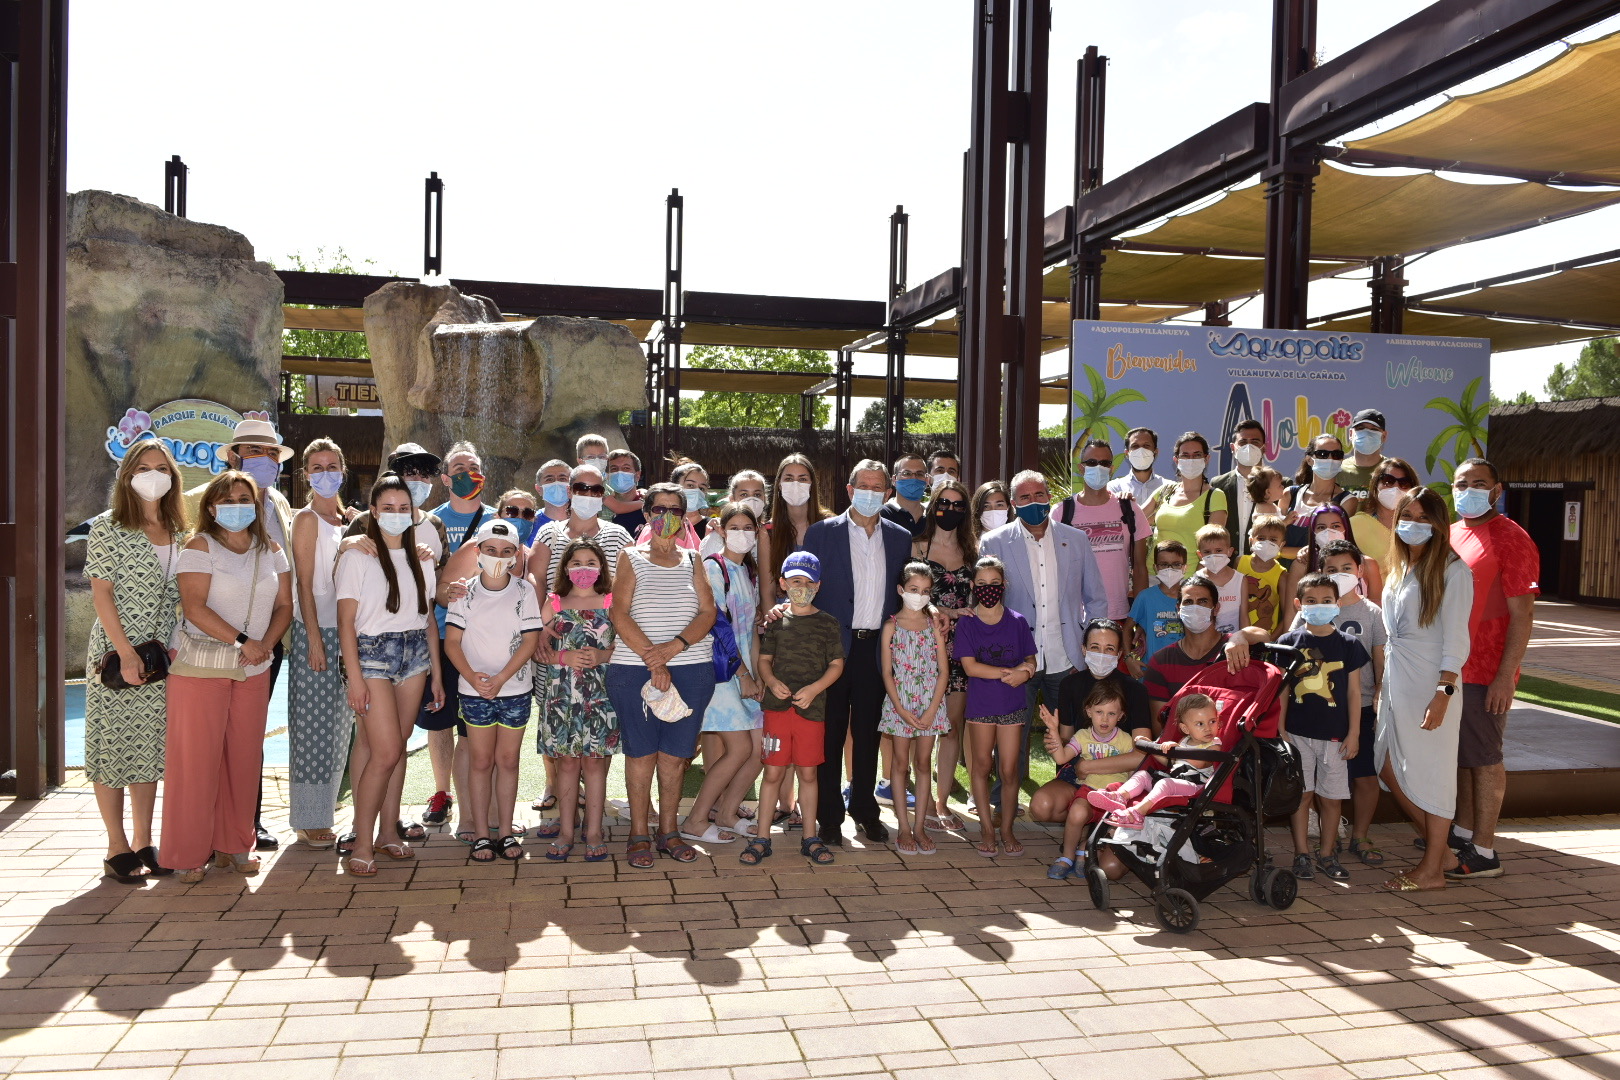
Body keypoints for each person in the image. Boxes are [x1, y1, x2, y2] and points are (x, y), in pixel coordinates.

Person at [163, 471, 293, 882]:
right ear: (211, 506)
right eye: (227, 498)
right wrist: (243, 641)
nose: (236, 505)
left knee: (243, 759)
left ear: (256, 505)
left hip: (254, 668)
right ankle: (187, 852)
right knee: (196, 762)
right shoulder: (198, 546)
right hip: (202, 670)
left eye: (244, 497)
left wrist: (264, 645)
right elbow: (194, 607)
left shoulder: (271, 549)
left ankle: (236, 844)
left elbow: (285, 606)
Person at [183, 418, 296, 853]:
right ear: (233, 455)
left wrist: (266, 642)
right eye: (253, 450)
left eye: (270, 453)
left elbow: (285, 586)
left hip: (266, 646)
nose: (263, 460)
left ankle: (246, 825)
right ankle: (205, 833)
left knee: (248, 739)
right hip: (209, 647)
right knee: (207, 744)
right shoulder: (200, 501)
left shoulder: (282, 506)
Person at [84, 438, 187, 883]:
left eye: (161, 467)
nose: (153, 474)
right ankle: (116, 846)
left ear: (172, 476)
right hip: (116, 655)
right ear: (127, 475)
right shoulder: (109, 527)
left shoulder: (181, 529)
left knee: (148, 750)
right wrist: (126, 652)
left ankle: (145, 841)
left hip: (161, 657)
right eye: (143, 466)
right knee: (112, 749)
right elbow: (101, 592)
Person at [979, 469, 1108, 817]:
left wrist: (1091, 639)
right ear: (1013, 503)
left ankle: (1066, 799)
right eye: (1023, 497)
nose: (1033, 503)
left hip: (1066, 654)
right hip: (1016, 658)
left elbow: (1096, 597)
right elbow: (988, 602)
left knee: (1068, 732)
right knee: (1012, 732)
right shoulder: (994, 542)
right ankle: (1002, 800)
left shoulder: (1075, 539)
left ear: (1049, 497)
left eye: (1039, 495)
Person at [335, 475, 444, 876]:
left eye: (404, 509)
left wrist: (433, 671)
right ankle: (361, 843)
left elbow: (428, 618)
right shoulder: (357, 556)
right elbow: (346, 623)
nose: (397, 515)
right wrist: (356, 677)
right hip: (372, 655)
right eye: (388, 509)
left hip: (414, 654)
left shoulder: (423, 556)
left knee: (396, 746)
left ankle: (388, 833)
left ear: (413, 513)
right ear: (373, 512)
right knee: (383, 752)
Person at [800, 459, 913, 847]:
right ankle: (829, 817)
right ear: (849, 491)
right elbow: (804, 586)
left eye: (877, 487)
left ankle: (865, 808)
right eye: (862, 486)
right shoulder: (820, 533)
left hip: (875, 650)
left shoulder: (900, 537)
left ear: (887, 493)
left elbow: (904, 592)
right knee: (829, 736)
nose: (870, 493)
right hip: (831, 651)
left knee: (867, 734)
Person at [608, 482, 718, 867]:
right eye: (659, 509)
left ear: (684, 516)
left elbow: (708, 612)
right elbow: (618, 612)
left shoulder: (694, 560)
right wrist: (655, 661)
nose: (666, 517)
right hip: (633, 669)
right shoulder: (629, 557)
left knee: (674, 757)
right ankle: (639, 832)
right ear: (647, 514)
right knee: (641, 754)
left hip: (691, 670)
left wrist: (674, 648)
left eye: (675, 510)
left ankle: (668, 831)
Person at [1376, 486, 1472, 891]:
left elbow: (1457, 640)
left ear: (1438, 523)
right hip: (1398, 681)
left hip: (1434, 685)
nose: (1413, 525)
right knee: (1384, 763)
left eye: (1422, 518)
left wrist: (1443, 693)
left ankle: (1433, 869)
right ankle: (1443, 852)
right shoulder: (1400, 567)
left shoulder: (1453, 570)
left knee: (1433, 775)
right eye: (1406, 517)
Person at [1447, 457, 1538, 879]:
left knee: (1485, 758)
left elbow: (1523, 614)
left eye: (1479, 483)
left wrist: (1506, 674)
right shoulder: (1451, 534)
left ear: (1497, 490)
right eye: (1462, 483)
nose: (1469, 490)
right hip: (1453, 668)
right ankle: (1463, 834)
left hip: (1487, 672)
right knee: (1464, 757)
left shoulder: (1512, 538)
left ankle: (1484, 851)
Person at [445, 519, 542, 864]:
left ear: (516, 556)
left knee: (508, 761)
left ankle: (505, 831)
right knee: (481, 761)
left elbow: (530, 640)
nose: (498, 557)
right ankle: (482, 833)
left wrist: (501, 678)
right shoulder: (464, 591)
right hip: (474, 694)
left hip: (514, 690)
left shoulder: (524, 591)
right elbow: (453, 642)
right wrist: (473, 677)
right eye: (490, 551)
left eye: (505, 552)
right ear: (478, 552)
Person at [742, 551, 845, 866]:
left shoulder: (827, 623)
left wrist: (814, 689)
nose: (802, 586)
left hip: (811, 713)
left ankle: (809, 837)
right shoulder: (776, 620)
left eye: (808, 582)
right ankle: (762, 837)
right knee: (772, 772)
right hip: (777, 710)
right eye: (795, 581)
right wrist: (771, 682)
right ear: (783, 583)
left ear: (818, 585)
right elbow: (764, 660)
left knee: (808, 774)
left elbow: (837, 664)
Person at [415, 441, 498, 831]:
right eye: (460, 466)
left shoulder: (501, 520)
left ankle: (478, 804)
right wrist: (442, 593)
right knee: (440, 719)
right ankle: (441, 792)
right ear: (446, 477)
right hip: (442, 635)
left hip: (486, 640)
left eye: (475, 465)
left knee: (478, 725)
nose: (468, 472)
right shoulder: (428, 521)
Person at [1293, 539, 1387, 868]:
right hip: (1314, 712)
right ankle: (1319, 844)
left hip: (1358, 708)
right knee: (1312, 782)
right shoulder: (1312, 607)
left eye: (1347, 568)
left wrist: (1378, 692)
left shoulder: (1372, 612)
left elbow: (1379, 657)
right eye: (1332, 569)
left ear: (1360, 571)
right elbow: (1290, 652)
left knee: (1363, 776)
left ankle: (1360, 835)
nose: (1341, 574)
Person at [680, 503, 766, 844]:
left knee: (760, 749)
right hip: (723, 675)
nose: (742, 533)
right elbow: (717, 626)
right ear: (721, 530)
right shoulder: (714, 568)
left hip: (745, 674)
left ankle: (728, 813)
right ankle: (696, 820)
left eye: (749, 527)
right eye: (736, 527)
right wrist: (743, 673)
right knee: (739, 749)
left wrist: (758, 676)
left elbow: (751, 634)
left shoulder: (746, 572)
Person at [287, 438, 359, 849]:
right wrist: (313, 639)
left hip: (348, 633)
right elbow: (304, 583)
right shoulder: (307, 520)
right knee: (313, 729)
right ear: (307, 475)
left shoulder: (351, 520)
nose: (325, 472)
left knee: (338, 729)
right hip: (317, 632)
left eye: (332, 465)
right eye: (317, 467)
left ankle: (327, 811)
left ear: (343, 470)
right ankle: (309, 818)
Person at [1275, 572, 1369, 883]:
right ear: (1298, 604)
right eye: (1312, 601)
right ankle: (1302, 852)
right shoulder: (1288, 643)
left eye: (1326, 601)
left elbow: (1354, 692)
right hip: (1298, 735)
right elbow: (1283, 690)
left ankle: (1327, 853)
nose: (1319, 606)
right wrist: (1281, 729)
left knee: (1331, 798)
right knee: (1302, 795)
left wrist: (1354, 732)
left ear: (1337, 604)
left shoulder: (1348, 645)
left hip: (1336, 738)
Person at [533, 538, 618, 864]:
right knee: (566, 764)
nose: (584, 569)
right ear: (565, 568)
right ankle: (567, 831)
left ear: (601, 568)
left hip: (600, 696)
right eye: (577, 563)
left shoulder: (611, 601)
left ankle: (594, 830)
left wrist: (602, 655)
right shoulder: (553, 602)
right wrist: (563, 656)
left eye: (591, 563)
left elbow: (627, 646)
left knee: (596, 764)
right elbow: (538, 650)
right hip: (562, 698)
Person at [1028, 618, 1153, 826]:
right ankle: (1086, 824)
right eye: (1095, 647)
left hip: (1119, 777)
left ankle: (1096, 829)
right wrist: (1055, 739)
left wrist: (1091, 766)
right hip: (1079, 774)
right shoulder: (1070, 684)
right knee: (1042, 806)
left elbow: (1141, 753)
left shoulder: (1135, 690)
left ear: (1119, 654)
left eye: (1109, 649)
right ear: (1084, 649)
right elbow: (1067, 739)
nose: (1102, 654)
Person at [956, 555, 1038, 857]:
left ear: (1004, 585)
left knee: (1009, 770)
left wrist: (1026, 672)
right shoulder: (967, 622)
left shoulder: (1017, 621)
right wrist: (1011, 674)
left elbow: (1031, 660)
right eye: (981, 584)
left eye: (994, 583)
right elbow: (970, 668)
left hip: (1013, 705)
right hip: (981, 705)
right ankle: (987, 829)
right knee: (980, 766)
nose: (988, 589)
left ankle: (1007, 830)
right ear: (973, 586)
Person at [914, 479, 976, 831]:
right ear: (933, 504)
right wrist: (946, 613)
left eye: (958, 505)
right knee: (920, 726)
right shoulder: (917, 547)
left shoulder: (973, 550)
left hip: (961, 651)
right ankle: (919, 799)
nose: (950, 510)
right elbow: (910, 596)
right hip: (923, 648)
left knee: (951, 728)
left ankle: (941, 803)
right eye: (944, 503)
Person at [879, 562, 950, 855]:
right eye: (913, 590)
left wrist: (933, 709)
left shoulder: (933, 625)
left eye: (925, 591)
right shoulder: (891, 626)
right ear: (901, 590)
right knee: (899, 764)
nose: (918, 596)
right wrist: (899, 708)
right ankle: (904, 828)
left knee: (923, 764)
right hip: (900, 704)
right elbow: (887, 673)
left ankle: (920, 826)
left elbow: (944, 671)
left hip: (929, 702)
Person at [1039, 680, 1139, 880]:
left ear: (1120, 716)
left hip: (1115, 794)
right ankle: (1067, 856)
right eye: (1099, 712)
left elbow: (1132, 772)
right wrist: (1053, 730)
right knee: (1077, 812)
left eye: (1111, 714)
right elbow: (1061, 758)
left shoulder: (1126, 740)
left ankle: (1083, 850)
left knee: (1110, 824)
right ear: (1089, 711)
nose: (1105, 719)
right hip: (1090, 790)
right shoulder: (1083, 736)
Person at [1142, 575, 1270, 731]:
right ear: (1178, 609)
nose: (1195, 607)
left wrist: (1240, 635)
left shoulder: (1234, 648)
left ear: (1216, 608)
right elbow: (1160, 727)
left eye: (1203, 601)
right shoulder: (1160, 662)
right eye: (1188, 602)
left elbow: (1264, 635)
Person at [1088, 693, 1223, 829]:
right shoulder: (1185, 741)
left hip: (1197, 788)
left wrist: (1178, 749)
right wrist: (1151, 747)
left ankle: (1137, 813)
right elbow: (1171, 764)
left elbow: (1199, 763)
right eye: (1200, 724)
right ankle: (1120, 797)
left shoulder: (1214, 745)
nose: (1207, 728)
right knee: (1143, 775)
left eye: (1212, 721)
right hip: (1175, 781)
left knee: (1166, 783)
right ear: (1185, 729)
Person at [1058, 438, 1150, 631]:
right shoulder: (1061, 513)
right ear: (1081, 468)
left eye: (1104, 463)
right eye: (1092, 462)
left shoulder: (1130, 509)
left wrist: (1141, 617)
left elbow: (1140, 568)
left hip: (1120, 615)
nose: (1098, 467)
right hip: (1076, 617)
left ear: (1112, 468)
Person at [527, 462, 634, 592]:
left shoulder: (619, 536)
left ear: (602, 495)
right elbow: (536, 579)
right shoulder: (548, 533)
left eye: (596, 490)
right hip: (554, 611)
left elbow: (628, 584)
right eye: (581, 489)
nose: (589, 495)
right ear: (569, 491)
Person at [1152, 431, 1229, 573]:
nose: (1191, 459)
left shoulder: (1215, 496)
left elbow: (1214, 547)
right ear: (1176, 460)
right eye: (1185, 455)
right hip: (1153, 574)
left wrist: (1196, 580)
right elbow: (1136, 517)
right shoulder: (1166, 491)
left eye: (1197, 455)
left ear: (1207, 459)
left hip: (1189, 579)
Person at [765, 453, 830, 612]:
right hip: (785, 622)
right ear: (779, 485)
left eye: (802, 479)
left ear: (812, 484)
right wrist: (775, 627)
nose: (795, 484)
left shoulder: (830, 525)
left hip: (823, 619)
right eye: (788, 479)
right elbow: (767, 592)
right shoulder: (767, 532)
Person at [1284, 433, 1360, 560]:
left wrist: (1284, 551)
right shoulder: (1290, 494)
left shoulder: (1347, 500)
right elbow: (1271, 541)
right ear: (1309, 459)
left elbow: (1334, 548)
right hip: (1283, 574)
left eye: (1336, 455)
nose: (1330, 459)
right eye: (1322, 454)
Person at [1351, 456, 1418, 580]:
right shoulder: (1355, 524)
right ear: (1376, 485)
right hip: (1370, 598)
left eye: (1404, 483)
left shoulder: (1420, 527)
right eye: (1388, 481)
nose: (1396, 487)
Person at [1212, 419, 1268, 556]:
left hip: (1266, 568)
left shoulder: (1282, 485)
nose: (1249, 447)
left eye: (1255, 442)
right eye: (1243, 442)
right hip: (1226, 567)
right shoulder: (1217, 484)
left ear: (1264, 448)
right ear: (1233, 448)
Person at [1128, 540, 1190, 664]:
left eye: (1176, 564)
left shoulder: (1191, 598)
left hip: (1184, 668)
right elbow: (1127, 629)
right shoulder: (1145, 597)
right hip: (1152, 670)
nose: (1170, 569)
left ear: (1185, 567)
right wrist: (1129, 660)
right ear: (1156, 568)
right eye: (1164, 564)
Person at [1194, 524, 1258, 636]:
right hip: (1206, 641)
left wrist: (1246, 641)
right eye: (1207, 552)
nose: (1213, 555)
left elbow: (1244, 615)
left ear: (1229, 551)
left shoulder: (1240, 580)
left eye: (1218, 550)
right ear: (1200, 554)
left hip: (1233, 643)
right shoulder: (1197, 579)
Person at [1108, 426, 1171, 524]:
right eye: (1135, 446)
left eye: (1146, 446)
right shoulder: (1114, 488)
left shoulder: (1169, 487)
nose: (1141, 451)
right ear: (1127, 453)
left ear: (1156, 452)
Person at [1237, 514, 1287, 633]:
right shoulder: (1239, 562)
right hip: (1235, 632)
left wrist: (1271, 640)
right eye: (1261, 538)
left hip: (1264, 638)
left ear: (1281, 545)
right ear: (1251, 540)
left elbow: (1287, 615)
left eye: (1273, 540)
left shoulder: (1282, 574)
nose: (1267, 543)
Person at [1340, 409, 1389, 497]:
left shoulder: (1392, 471)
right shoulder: (1337, 470)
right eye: (1361, 428)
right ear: (1351, 434)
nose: (1366, 434)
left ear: (1384, 436)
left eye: (1374, 429)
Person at [880, 453, 930, 537]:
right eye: (907, 473)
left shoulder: (932, 517)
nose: (914, 478)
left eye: (919, 474)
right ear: (894, 480)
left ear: (927, 480)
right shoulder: (881, 515)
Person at [605, 448, 647, 534]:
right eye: (614, 469)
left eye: (626, 468)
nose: (620, 472)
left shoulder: (649, 509)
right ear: (607, 475)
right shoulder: (599, 504)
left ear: (637, 475)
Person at [533, 459, 574, 528]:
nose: (556, 483)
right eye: (549, 479)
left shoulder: (586, 522)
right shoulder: (530, 524)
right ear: (538, 489)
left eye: (562, 478)